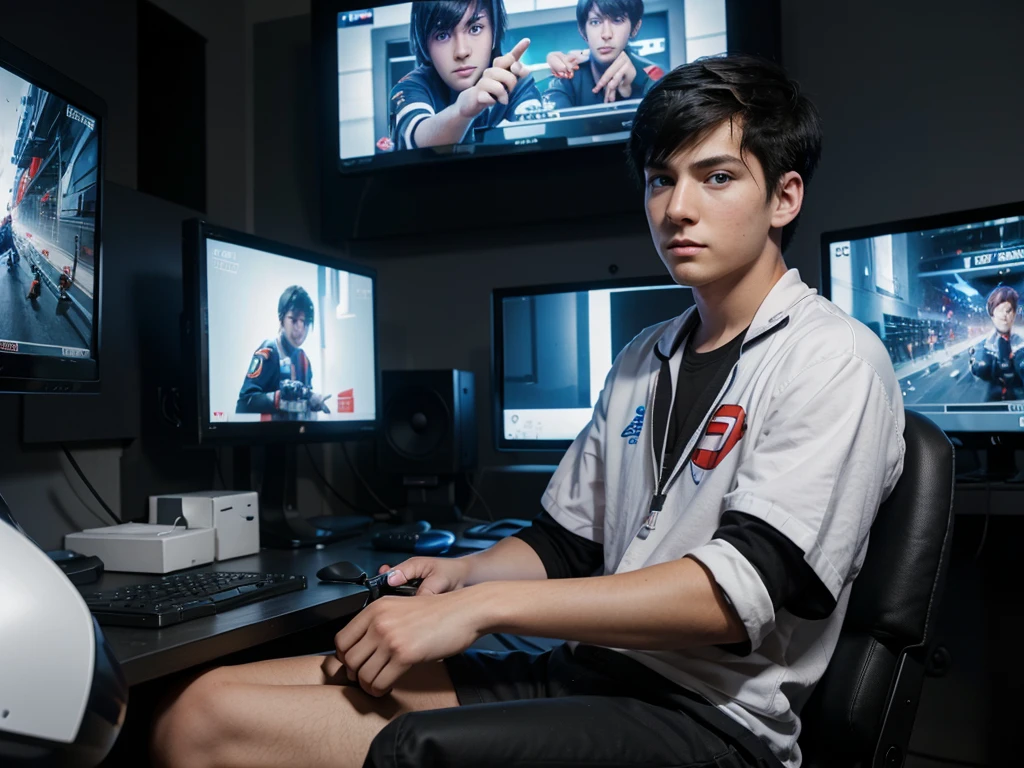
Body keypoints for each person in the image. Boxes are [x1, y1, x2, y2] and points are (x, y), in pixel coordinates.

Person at [152, 55, 906, 768]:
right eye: (659, 180)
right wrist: (466, 575)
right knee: (201, 712)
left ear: (785, 197)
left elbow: (736, 594)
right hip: (588, 672)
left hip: (705, 719)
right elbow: (564, 545)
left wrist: (486, 612)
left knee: (339, 742)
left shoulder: (834, 358)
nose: (677, 209)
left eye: (715, 178)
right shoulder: (646, 356)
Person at [387, 0, 543, 151]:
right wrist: (462, 111)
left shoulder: (514, 81)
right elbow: (417, 138)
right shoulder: (411, 88)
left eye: (475, 28)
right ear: (425, 44)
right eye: (442, 35)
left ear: (494, 33)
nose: (461, 52)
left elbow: (541, 141)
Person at [236, 285, 332, 420]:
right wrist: (279, 398)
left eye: (304, 322)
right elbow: (244, 404)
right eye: (293, 320)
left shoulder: (304, 360)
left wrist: (312, 401)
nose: (300, 328)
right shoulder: (270, 352)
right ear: (282, 319)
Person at [544, 0, 663, 107]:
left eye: (617, 20)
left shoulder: (655, 76)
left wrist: (633, 91)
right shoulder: (568, 79)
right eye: (595, 22)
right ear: (582, 31)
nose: (606, 34)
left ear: (635, 28)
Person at [968, 285, 1024, 400]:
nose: (1004, 316)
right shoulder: (982, 346)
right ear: (992, 314)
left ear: (1014, 314)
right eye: (999, 310)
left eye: (1008, 311)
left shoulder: (1021, 343)